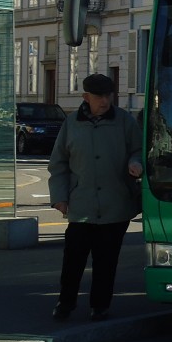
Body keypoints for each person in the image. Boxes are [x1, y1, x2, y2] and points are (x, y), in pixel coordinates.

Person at [48, 73, 143, 322]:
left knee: (106, 261)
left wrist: (136, 162)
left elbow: (139, 150)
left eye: (108, 95)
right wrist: (59, 197)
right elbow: (58, 164)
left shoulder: (124, 121)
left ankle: (100, 305)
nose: (105, 101)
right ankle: (65, 302)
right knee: (73, 259)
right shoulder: (72, 123)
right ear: (86, 97)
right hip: (81, 204)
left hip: (115, 204)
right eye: (99, 96)